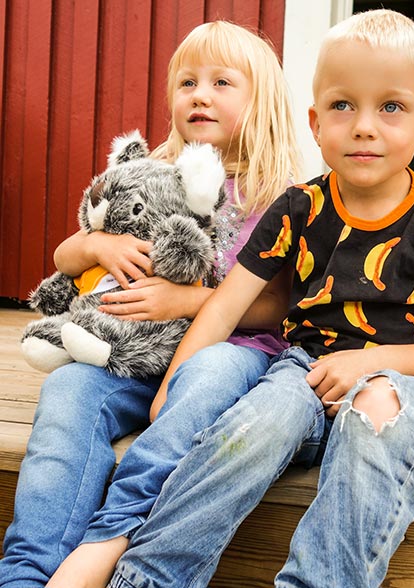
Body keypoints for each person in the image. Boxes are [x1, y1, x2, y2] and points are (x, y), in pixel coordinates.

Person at [51, 8, 414, 588]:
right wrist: (172, 385)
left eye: (391, 107)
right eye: (343, 105)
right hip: (303, 370)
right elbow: (225, 305)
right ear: (315, 121)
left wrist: (369, 363)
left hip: (409, 384)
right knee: (252, 425)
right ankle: (148, 577)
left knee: (376, 412)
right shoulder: (298, 208)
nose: (364, 127)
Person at [0, 21, 301, 588]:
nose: (200, 95)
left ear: (260, 100)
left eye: (221, 82)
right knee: (68, 390)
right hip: (136, 356)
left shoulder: (278, 195)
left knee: (208, 373)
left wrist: (188, 300)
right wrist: (98, 245)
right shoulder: (153, 173)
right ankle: (27, 571)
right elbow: (65, 256)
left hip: (233, 355)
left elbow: (277, 309)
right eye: (187, 82)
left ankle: (109, 538)